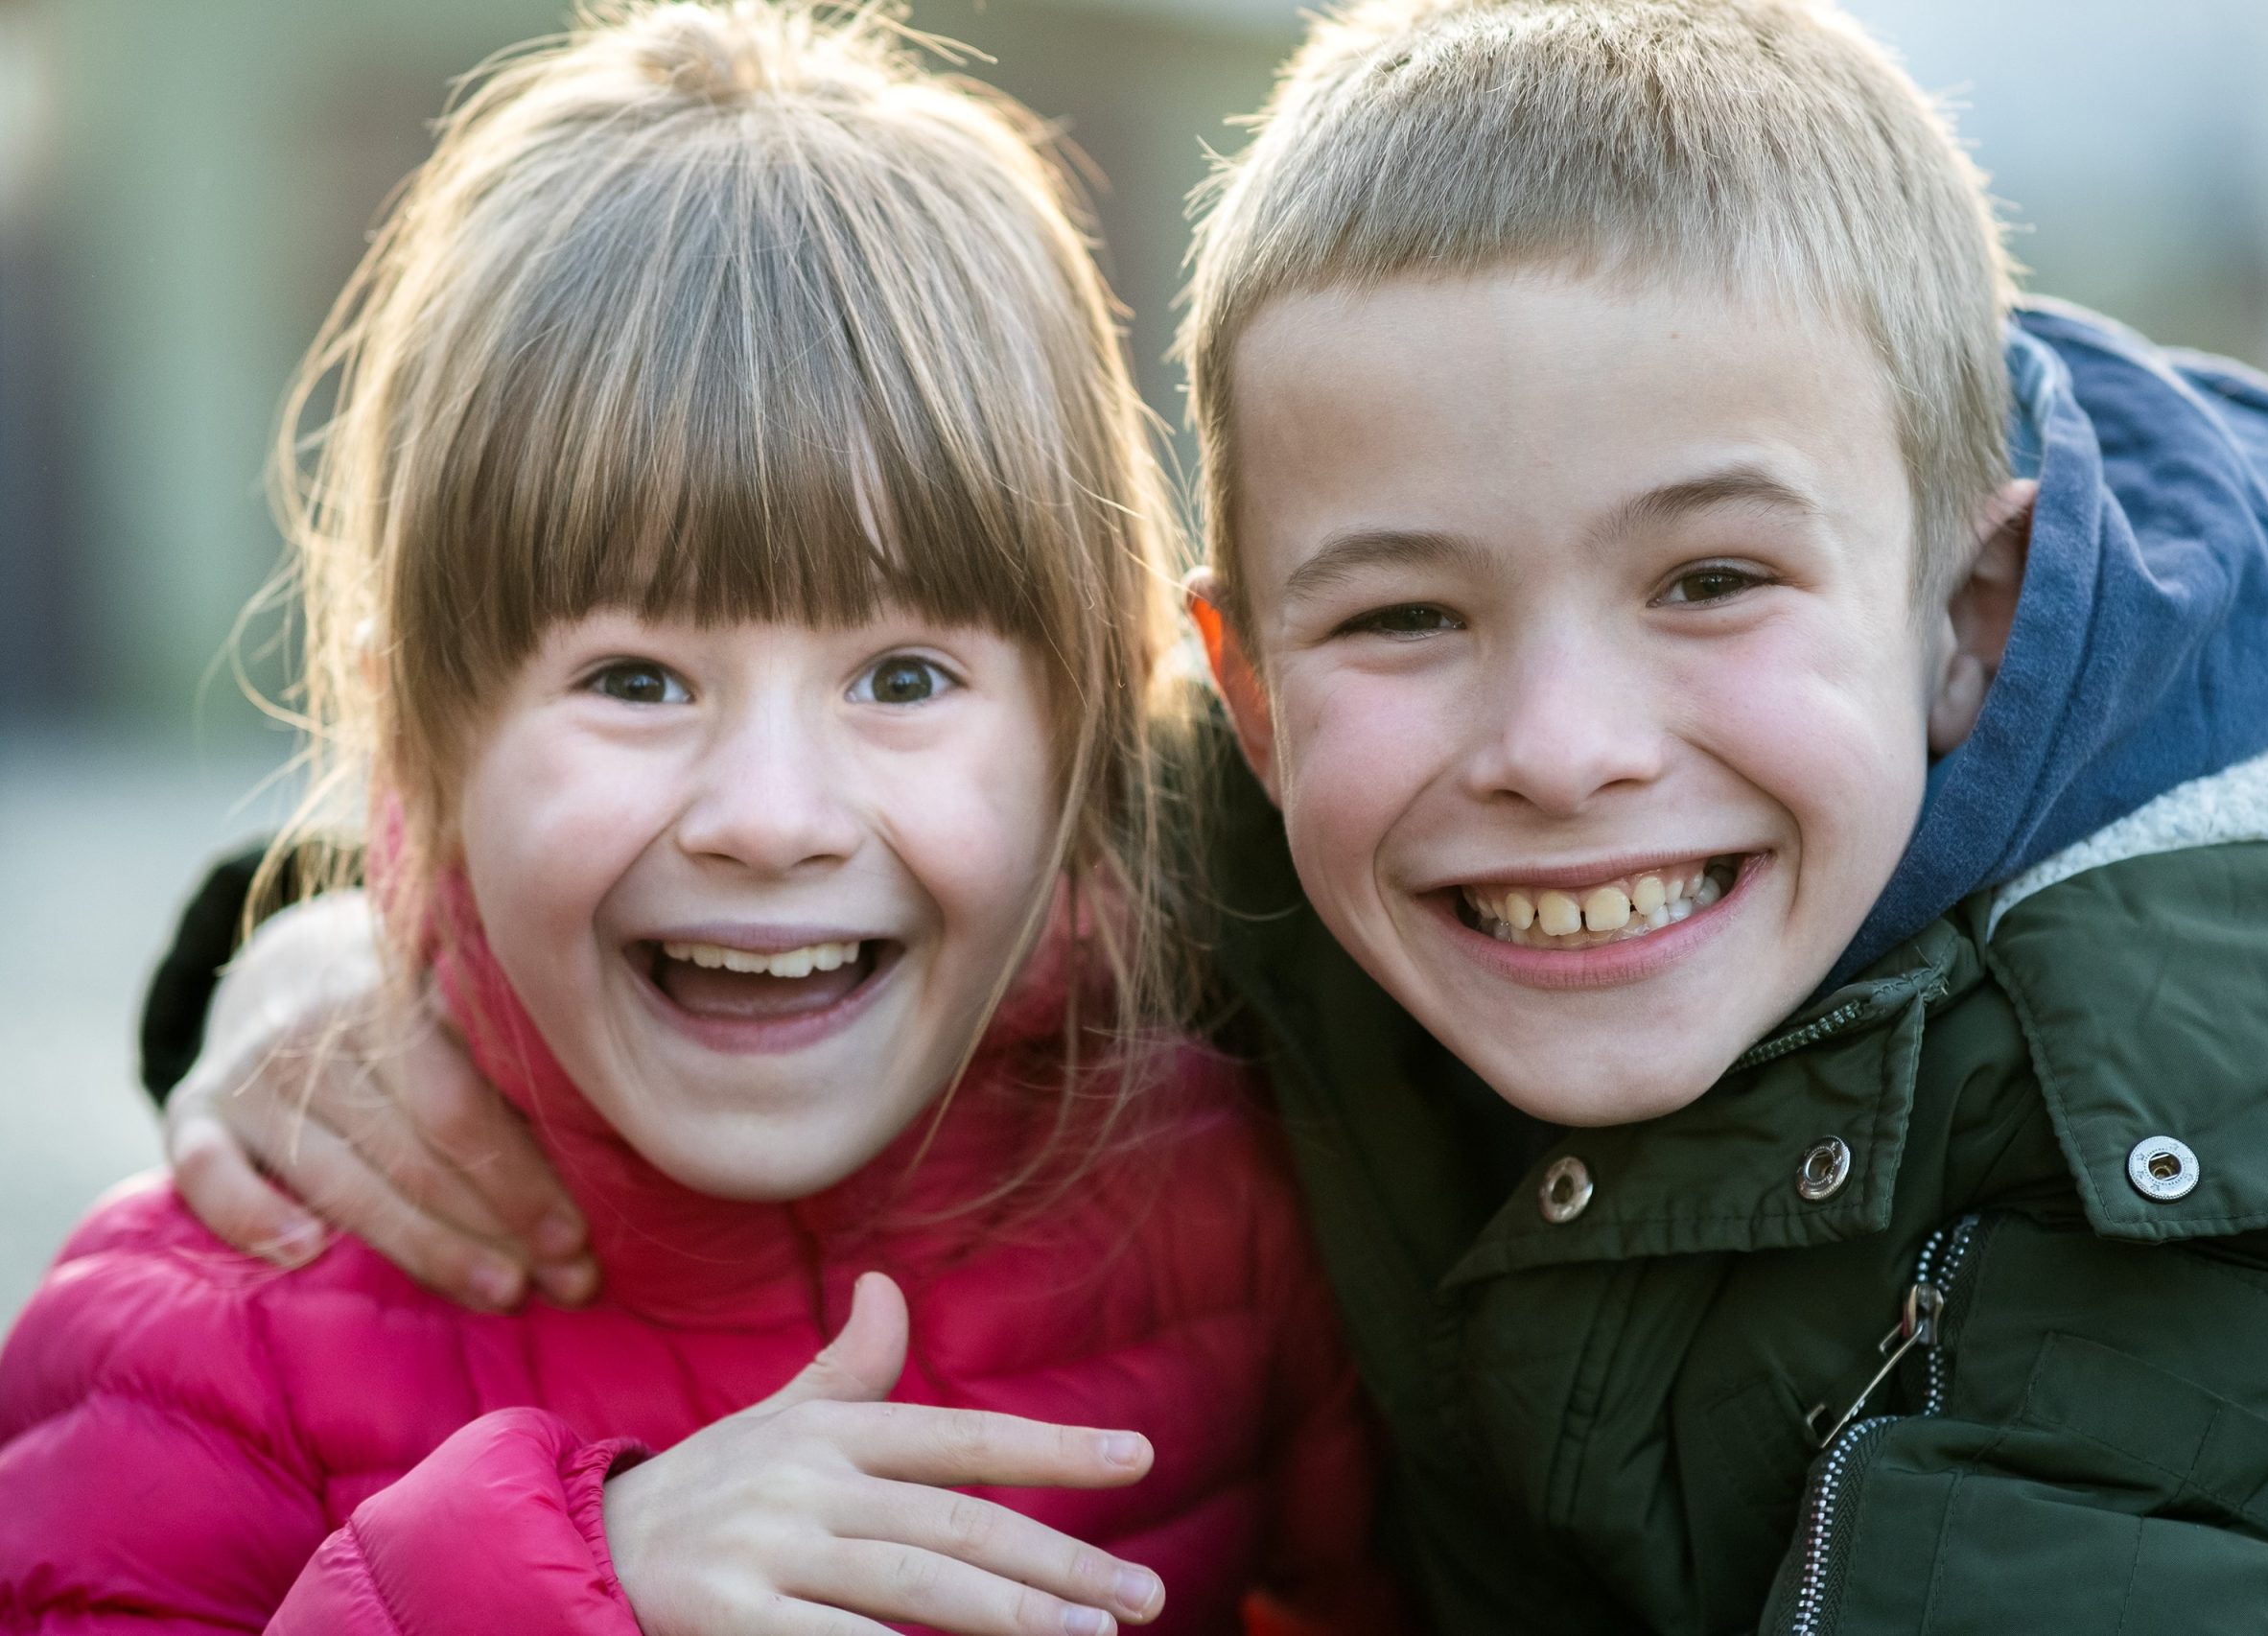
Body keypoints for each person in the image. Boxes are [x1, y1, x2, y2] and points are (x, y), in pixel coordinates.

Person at [103, 0, 2268, 1630]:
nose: (1554, 745)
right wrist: (336, 949)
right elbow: (926, 826)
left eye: (1708, 581)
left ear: (1974, 601)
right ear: (1231, 678)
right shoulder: (1305, 840)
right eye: (1404, 618)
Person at [0, 6, 1391, 1632]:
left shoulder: (1228, 1202)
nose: (773, 817)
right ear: (425, 728)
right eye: (641, 680)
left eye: (905, 675)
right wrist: (553, 1587)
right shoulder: (185, 1359)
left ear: (1091, 713)